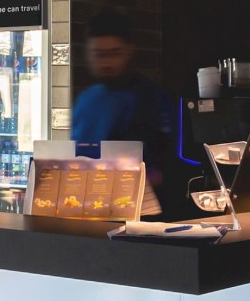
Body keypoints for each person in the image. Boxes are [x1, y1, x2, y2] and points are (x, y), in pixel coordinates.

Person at [70, 12, 175, 214]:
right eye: (99, 55)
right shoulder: (86, 99)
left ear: (129, 51)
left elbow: (165, 166)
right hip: (88, 207)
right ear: (88, 53)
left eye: (114, 53)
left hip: (138, 211)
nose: (107, 63)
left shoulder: (150, 97)